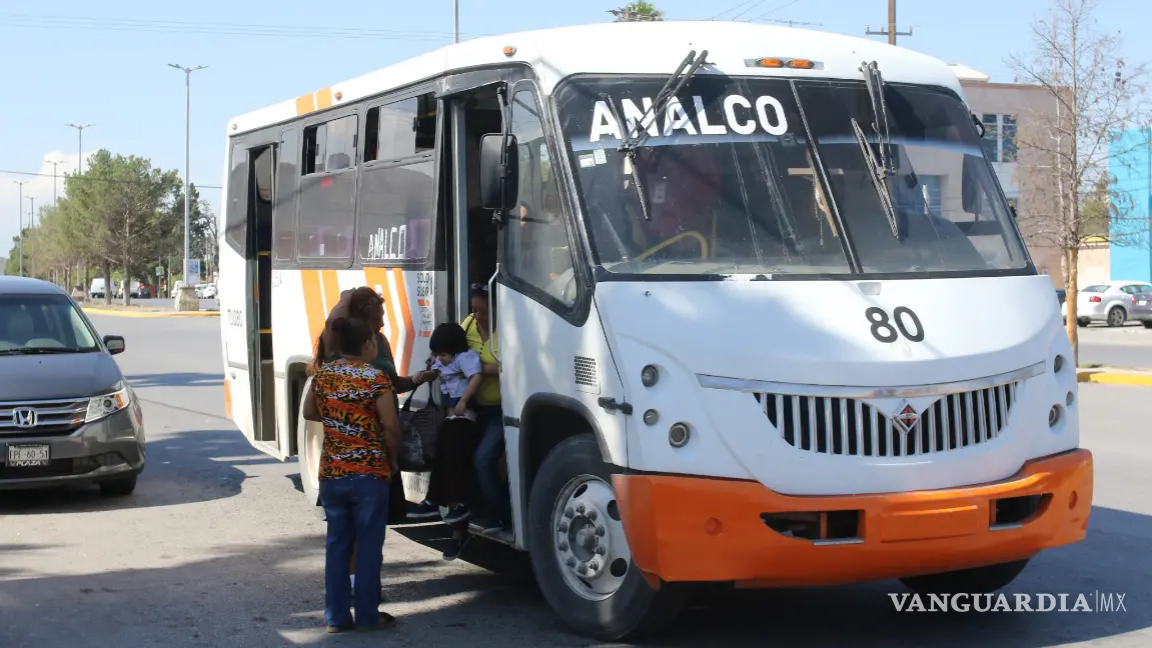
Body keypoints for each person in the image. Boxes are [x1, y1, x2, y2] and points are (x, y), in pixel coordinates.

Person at [303, 316, 399, 633]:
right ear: (369, 345)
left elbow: (308, 412)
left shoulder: (323, 376)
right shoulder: (376, 379)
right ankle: (369, 616)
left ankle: (336, 618)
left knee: (337, 547)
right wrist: (393, 458)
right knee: (369, 548)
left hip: (332, 474)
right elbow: (389, 426)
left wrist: (337, 421)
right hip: (369, 473)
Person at [424, 323, 486, 559]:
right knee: (443, 457)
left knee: (453, 460)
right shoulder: (446, 360)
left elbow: (476, 377)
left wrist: (463, 401)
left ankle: (452, 509)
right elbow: (436, 369)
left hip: (463, 416)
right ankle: (436, 501)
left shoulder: (465, 359)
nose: (440, 358)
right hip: (450, 416)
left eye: (442, 354)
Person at [462, 284, 511, 537]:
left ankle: (497, 515)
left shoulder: (509, 330)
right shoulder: (467, 325)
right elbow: (454, 356)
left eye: (482, 310)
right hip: (474, 408)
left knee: (484, 459)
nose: (476, 315)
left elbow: (514, 368)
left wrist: (479, 369)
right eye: (474, 309)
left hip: (501, 409)